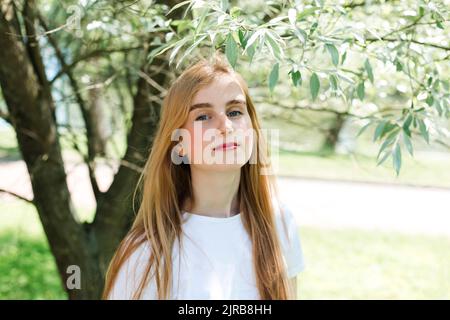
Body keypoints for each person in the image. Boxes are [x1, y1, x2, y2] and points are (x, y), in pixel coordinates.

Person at [102, 53, 305, 300]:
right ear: (179, 144)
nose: (225, 127)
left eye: (234, 112)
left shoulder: (279, 223)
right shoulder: (146, 253)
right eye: (203, 116)